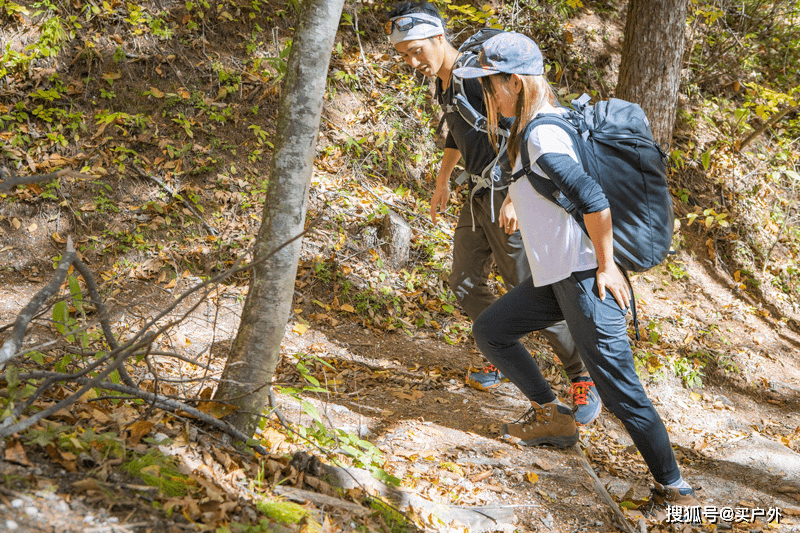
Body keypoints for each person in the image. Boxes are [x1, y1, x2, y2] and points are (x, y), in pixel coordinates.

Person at [453, 31, 701, 508]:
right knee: (492, 330)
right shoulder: (537, 128)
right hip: (559, 276)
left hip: (587, 281)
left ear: (516, 84)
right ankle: (553, 416)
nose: (485, 95)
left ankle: (677, 490)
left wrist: (607, 267)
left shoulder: (543, 133)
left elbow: (592, 198)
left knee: (622, 391)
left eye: (490, 84)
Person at [386, 2, 601, 426]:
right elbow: (457, 131)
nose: (413, 62)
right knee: (464, 281)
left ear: (438, 37)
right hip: (476, 194)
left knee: (531, 286)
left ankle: (582, 375)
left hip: (508, 196)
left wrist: (514, 195)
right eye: (404, 55)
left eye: (417, 51)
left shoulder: (475, 78)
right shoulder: (446, 83)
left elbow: (519, 125)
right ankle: (503, 351)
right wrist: (443, 180)